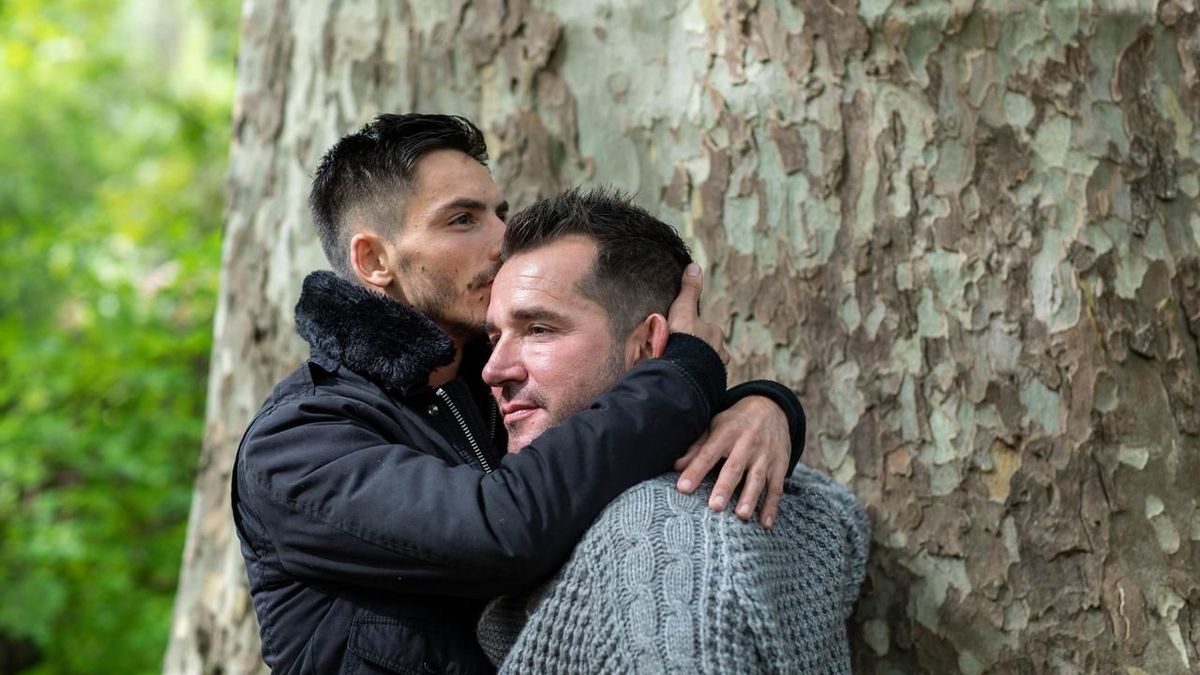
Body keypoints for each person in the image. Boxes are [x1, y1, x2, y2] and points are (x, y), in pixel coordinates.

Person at [231, 113, 807, 673]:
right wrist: (685, 376)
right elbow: (501, 527)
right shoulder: (295, 445)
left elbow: (605, 419)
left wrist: (760, 404)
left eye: (498, 213)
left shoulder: (493, 381)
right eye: (462, 220)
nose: (501, 241)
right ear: (374, 260)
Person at [475, 187, 870, 674]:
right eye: (494, 337)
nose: (493, 369)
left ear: (647, 345)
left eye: (538, 329)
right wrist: (768, 403)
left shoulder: (664, 544)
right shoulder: (805, 504)